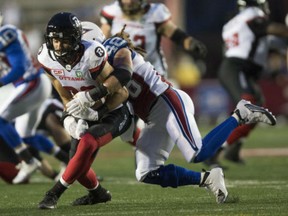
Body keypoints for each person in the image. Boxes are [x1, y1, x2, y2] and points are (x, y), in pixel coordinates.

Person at [75, 23, 277, 204]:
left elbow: (121, 79)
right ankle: (207, 179)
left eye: (80, 46)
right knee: (146, 172)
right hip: (151, 116)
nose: (78, 53)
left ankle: (240, 113)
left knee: (197, 153)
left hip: (165, 101)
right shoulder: (94, 67)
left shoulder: (113, 48)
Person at [37, 12, 132, 209]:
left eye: (63, 41)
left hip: (113, 112)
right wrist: (68, 117)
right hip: (83, 113)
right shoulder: (47, 58)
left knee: (87, 142)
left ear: (76, 39)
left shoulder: (92, 55)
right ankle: (98, 193)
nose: (57, 46)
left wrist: (96, 105)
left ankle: (54, 193)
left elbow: (121, 93)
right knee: (77, 166)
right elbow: (64, 94)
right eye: (54, 40)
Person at [206, 0, 288, 166]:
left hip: (238, 68)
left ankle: (233, 149)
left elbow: (266, 40)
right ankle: (212, 151)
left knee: (258, 109)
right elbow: (271, 30)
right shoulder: (253, 16)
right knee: (248, 109)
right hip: (237, 68)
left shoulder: (234, 23)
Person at [0, 12, 57, 184]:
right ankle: (64, 164)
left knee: (1, 120)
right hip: (29, 84)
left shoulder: (6, 34)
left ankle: (28, 161)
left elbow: (19, 68)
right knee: (25, 134)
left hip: (31, 82)